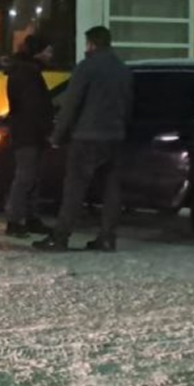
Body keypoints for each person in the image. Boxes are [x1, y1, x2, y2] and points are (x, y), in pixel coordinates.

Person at [35, 26, 133, 252]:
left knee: (75, 188)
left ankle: (60, 237)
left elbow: (71, 105)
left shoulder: (86, 68)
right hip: (115, 136)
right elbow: (128, 105)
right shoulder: (123, 70)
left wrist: (58, 135)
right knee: (111, 188)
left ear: (91, 44)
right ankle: (107, 237)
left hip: (86, 137)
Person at [4, 34, 56, 238]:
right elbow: (33, 107)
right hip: (28, 133)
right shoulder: (28, 74)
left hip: (27, 131)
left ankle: (28, 217)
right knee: (26, 177)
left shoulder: (25, 71)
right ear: (38, 52)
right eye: (48, 51)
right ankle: (15, 220)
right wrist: (46, 129)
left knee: (31, 176)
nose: (51, 55)